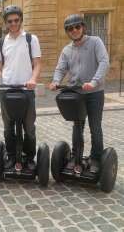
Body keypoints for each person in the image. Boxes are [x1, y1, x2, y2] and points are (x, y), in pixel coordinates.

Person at [49, 14, 110, 174]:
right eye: (70, 28)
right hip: (76, 94)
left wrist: (94, 82)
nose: (74, 30)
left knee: (95, 126)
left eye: (77, 27)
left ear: (83, 27)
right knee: (77, 125)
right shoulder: (67, 50)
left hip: (94, 92)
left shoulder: (95, 42)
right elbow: (60, 68)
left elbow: (104, 62)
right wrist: (56, 81)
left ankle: (96, 158)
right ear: (67, 31)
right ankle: (76, 157)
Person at [0, 5, 42, 171]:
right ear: (5, 23)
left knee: (29, 127)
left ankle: (29, 157)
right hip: (7, 90)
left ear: (21, 20)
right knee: (8, 127)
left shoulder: (30, 39)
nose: (13, 23)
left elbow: (37, 64)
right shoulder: (1, 42)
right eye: (10, 21)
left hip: (26, 90)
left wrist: (33, 79)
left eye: (16, 20)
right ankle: (12, 157)